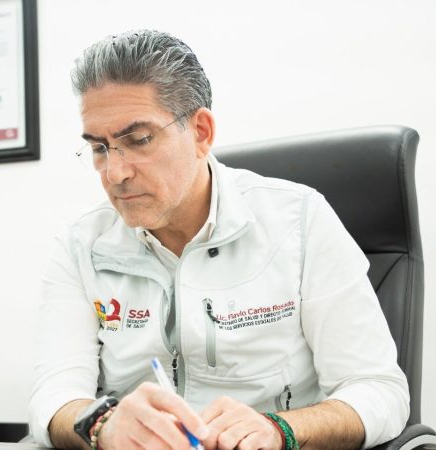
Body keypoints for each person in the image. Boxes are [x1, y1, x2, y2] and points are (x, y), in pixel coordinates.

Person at [28, 30, 409, 450]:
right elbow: (54, 396)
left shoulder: (299, 221)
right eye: (100, 148)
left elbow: (379, 391)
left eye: (138, 140)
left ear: (201, 132)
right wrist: (102, 426)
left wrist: (279, 430)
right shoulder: (81, 243)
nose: (115, 173)